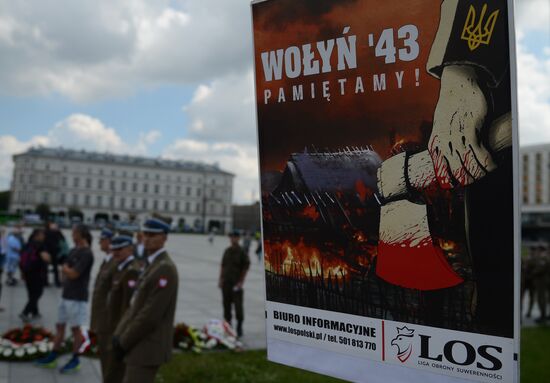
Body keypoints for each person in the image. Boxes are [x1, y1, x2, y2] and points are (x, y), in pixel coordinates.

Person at [112, 216, 178, 383]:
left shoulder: (165, 269)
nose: (147, 239)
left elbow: (150, 315)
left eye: (153, 235)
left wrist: (124, 341)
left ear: (164, 238)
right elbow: (135, 305)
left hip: (147, 346)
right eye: (145, 234)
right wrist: (119, 334)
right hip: (139, 342)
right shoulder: (152, 264)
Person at [36, 224, 94, 373]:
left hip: (77, 297)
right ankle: (53, 355)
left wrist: (66, 270)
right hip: (66, 294)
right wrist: (66, 271)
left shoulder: (87, 253)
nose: (72, 235)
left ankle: (75, 359)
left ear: (81, 235)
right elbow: (66, 270)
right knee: (59, 326)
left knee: (76, 330)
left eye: (74, 233)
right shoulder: (74, 250)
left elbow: (74, 273)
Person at [105, 234, 140, 383]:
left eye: (120, 249)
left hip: (120, 330)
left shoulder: (131, 271)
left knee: (115, 373)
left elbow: (128, 307)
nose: (115, 252)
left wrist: (120, 334)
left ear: (130, 249)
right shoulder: (120, 267)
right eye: (113, 249)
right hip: (113, 327)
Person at [90, 228, 116, 378]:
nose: (99, 242)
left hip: (107, 323)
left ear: (110, 242)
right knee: (104, 361)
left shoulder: (114, 263)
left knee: (109, 363)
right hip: (101, 321)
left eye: (102, 239)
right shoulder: (107, 260)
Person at [218, 231, 250, 337]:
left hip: (236, 283)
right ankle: (228, 326)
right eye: (231, 237)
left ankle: (239, 326)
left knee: (238, 307)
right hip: (226, 282)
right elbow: (223, 266)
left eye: (235, 237)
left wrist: (241, 282)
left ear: (238, 238)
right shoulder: (226, 251)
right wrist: (220, 279)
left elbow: (245, 267)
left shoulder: (242, 252)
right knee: (226, 305)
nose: (233, 239)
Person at [19, 229, 51, 322]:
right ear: (37, 236)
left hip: (27, 273)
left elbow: (21, 259)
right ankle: (25, 312)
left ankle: (35, 313)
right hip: (37, 273)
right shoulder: (40, 245)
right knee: (37, 293)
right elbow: (46, 258)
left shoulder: (27, 244)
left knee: (31, 293)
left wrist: (22, 272)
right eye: (42, 235)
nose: (44, 236)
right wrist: (49, 258)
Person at [44, 222, 66, 287]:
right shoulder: (46, 231)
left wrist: (58, 231)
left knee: (55, 267)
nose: (53, 226)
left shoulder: (57, 232)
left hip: (54, 252)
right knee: (46, 267)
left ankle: (56, 282)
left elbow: (63, 239)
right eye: (52, 225)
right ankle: (46, 282)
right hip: (48, 251)